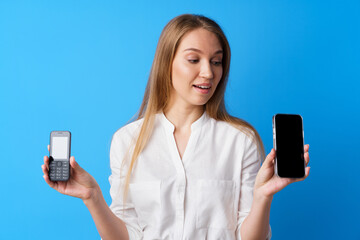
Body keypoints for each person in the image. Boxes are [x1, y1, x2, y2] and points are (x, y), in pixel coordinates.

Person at [41, 14, 310, 240]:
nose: (208, 72)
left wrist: (263, 196)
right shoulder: (127, 141)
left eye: (216, 61)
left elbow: (249, 236)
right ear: (166, 63)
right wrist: (92, 197)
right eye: (194, 60)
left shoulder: (241, 140)